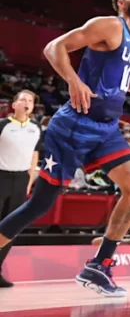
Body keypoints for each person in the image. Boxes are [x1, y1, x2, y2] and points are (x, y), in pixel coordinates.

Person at [0, 0, 130, 297]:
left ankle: (98, 266)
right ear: (120, 3)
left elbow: (124, 76)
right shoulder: (108, 25)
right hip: (74, 125)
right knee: (39, 205)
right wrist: (73, 80)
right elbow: (54, 48)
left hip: (107, 129)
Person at [0, 90, 44, 287]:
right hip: (1, 176)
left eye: (30, 101)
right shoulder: (3, 125)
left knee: (11, 227)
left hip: (21, 180)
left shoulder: (36, 128)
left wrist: (29, 180)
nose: (27, 103)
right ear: (14, 104)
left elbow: (35, 154)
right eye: (23, 99)